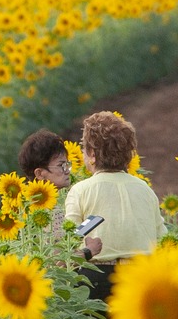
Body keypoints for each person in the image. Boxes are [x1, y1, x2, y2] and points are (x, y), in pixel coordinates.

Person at [61, 111, 163, 303]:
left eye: (84, 150)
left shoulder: (81, 190)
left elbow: (68, 243)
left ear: (91, 155)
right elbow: (162, 237)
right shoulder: (145, 189)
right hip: (142, 276)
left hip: (97, 278)